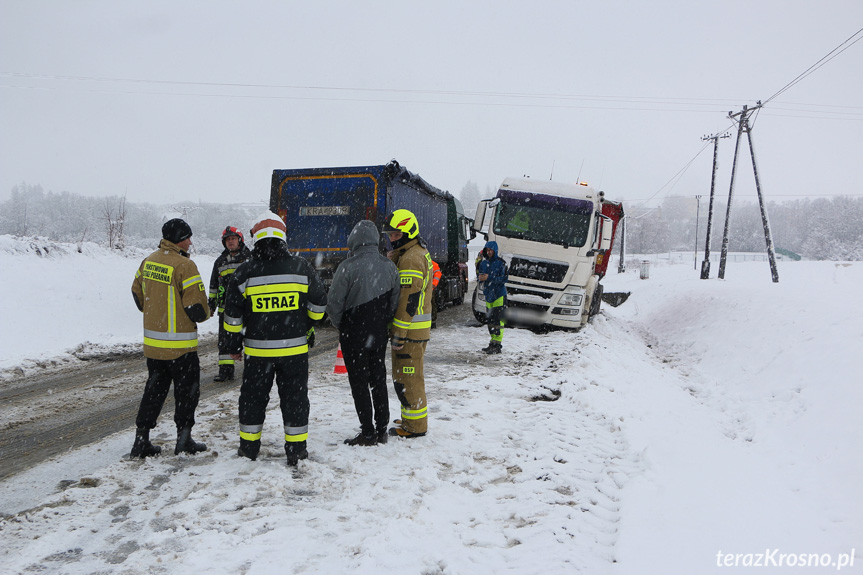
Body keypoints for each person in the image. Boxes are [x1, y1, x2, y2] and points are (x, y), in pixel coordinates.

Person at [222, 212, 327, 466]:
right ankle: (296, 451)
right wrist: (307, 324)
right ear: (283, 237)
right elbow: (319, 306)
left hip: (258, 354)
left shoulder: (245, 271)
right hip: (294, 353)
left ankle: (248, 449)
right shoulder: (301, 268)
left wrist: (233, 346)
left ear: (255, 239)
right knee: (295, 400)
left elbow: (232, 315)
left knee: (253, 400)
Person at [129, 218, 211, 458]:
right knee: (187, 393)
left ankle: (141, 440)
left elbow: (136, 294)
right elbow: (197, 308)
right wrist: (208, 311)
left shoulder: (148, 261)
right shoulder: (185, 266)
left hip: (154, 347)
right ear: (179, 239)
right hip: (181, 348)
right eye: (188, 237)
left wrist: (156, 313)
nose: (191, 242)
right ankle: (183, 440)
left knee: (153, 392)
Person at [326, 220, 400, 446]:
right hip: (378, 333)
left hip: (353, 334)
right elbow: (394, 302)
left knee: (359, 382)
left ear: (354, 240)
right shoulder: (389, 266)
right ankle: (382, 428)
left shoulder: (347, 267)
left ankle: (367, 431)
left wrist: (343, 325)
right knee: (378, 378)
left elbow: (334, 303)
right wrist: (382, 322)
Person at [383, 209, 433, 438]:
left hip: (410, 333)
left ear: (407, 232)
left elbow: (408, 301)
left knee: (409, 379)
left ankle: (415, 426)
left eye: (395, 234)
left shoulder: (411, 260)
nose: (392, 238)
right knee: (404, 377)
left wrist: (399, 333)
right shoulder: (413, 254)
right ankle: (409, 417)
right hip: (415, 331)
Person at [207, 226, 252, 382]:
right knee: (225, 340)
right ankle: (226, 371)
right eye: (228, 240)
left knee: (250, 337)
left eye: (233, 239)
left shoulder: (250, 259)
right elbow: (213, 285)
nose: (230, 242)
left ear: (239, 240)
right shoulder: (220, 261)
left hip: (248, 308)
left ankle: (253, 370)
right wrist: (211, 304)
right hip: (225, 309)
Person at [477, 240, 508, 354]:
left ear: (495, 251)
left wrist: (489, 278)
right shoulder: (483, 264)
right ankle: (492, 342)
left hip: (499, 295)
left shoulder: (501, 263)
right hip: (488, 294)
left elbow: (504, 279)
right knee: (490, 320)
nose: (489, 252)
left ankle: (498, 344)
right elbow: (479, 276)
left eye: (491, 250)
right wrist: (480, 278)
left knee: (498, 320)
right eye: (487, 250)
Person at [430, 259, 442, 329]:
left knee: (431, 304)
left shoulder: (432, 264)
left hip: (429, 289)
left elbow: (438, 274)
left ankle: (433, 321)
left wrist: (434, 284)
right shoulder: (431, 263)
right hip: (422, 288)